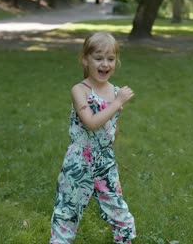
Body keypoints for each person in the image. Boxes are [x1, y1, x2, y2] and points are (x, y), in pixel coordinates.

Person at [49, 32, 137, 244]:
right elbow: (90, 122)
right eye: (99, 58)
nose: (105, 64)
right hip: (79, 161)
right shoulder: (80, 90)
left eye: (111, 59)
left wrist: (110, 152)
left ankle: (124, 240)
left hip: (105, 161)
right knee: (67, 209)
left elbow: (113, 127)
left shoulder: (115, 92)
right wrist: (117, 103)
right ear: (85, 59)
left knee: (117, 208)